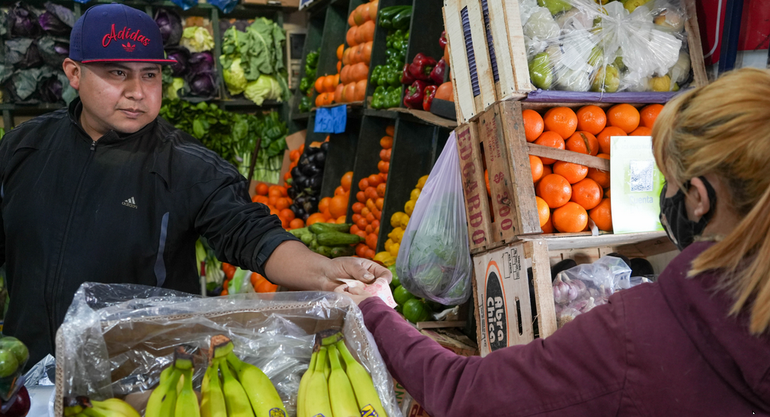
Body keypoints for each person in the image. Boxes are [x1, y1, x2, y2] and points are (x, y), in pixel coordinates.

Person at [337, 68, 770, 416]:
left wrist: (373, 311)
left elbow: (465, 394)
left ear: (698, 198)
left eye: (669, 181)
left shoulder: (639, 335)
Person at [0, 4, 389, 368]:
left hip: (138, 381)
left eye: (149, 74)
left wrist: (325, 273)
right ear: (74, 73)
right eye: (117, 72)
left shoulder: (185, 164)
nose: (137, 91)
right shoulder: (24, 146)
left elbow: (252, 233)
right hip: (27, 371)